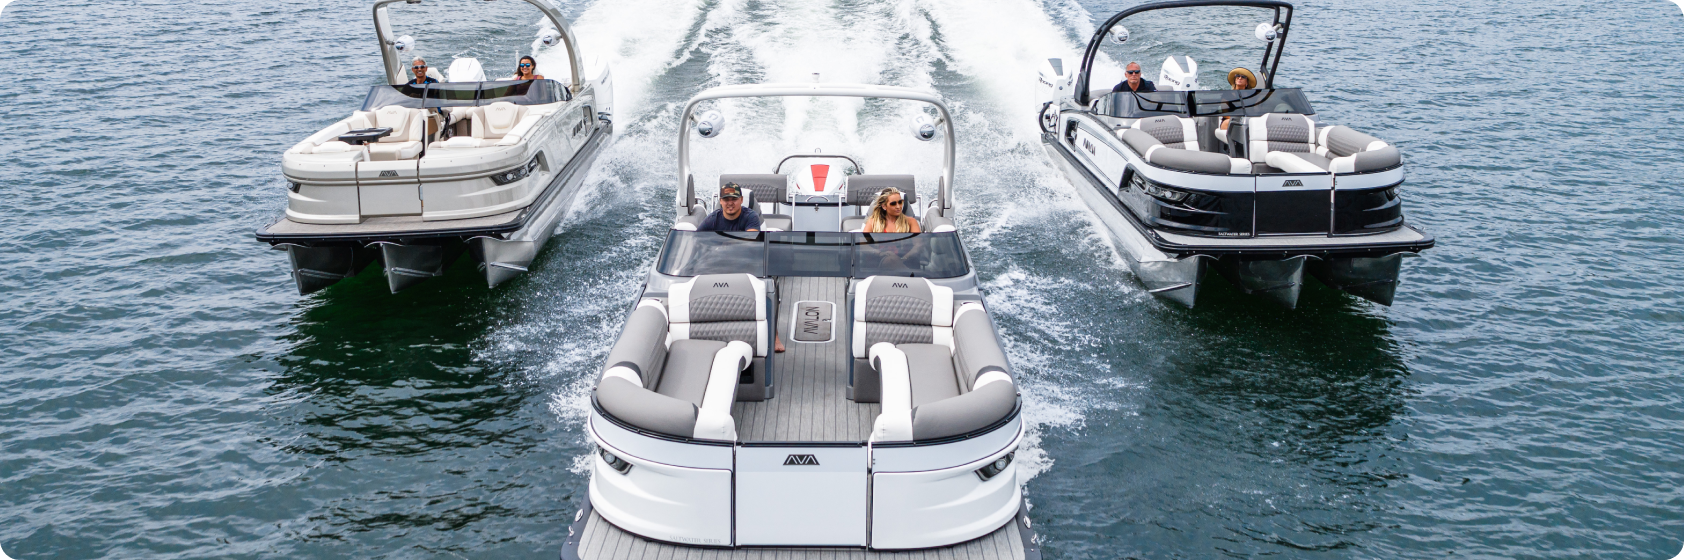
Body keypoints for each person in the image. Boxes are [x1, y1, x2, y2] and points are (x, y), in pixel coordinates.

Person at [697, 183, 761, 232]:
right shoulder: (711, 220)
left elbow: (752, 240)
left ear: (741, 199)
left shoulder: (751, 217)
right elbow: (696, 239)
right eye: (726, 199)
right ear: (721, 201)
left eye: (734, 199)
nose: (730, 203)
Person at [1219, 67, 1259, 141]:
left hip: (1247, 120)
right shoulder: (1226, 94)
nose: (1240, 78)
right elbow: (1226, 114)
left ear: (1247, 82)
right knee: (1230, 122)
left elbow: (1255, 111)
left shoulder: (1252, 96)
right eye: (1237, 76)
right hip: (1230, 120)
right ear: (1235, 79)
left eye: (1243, 77)